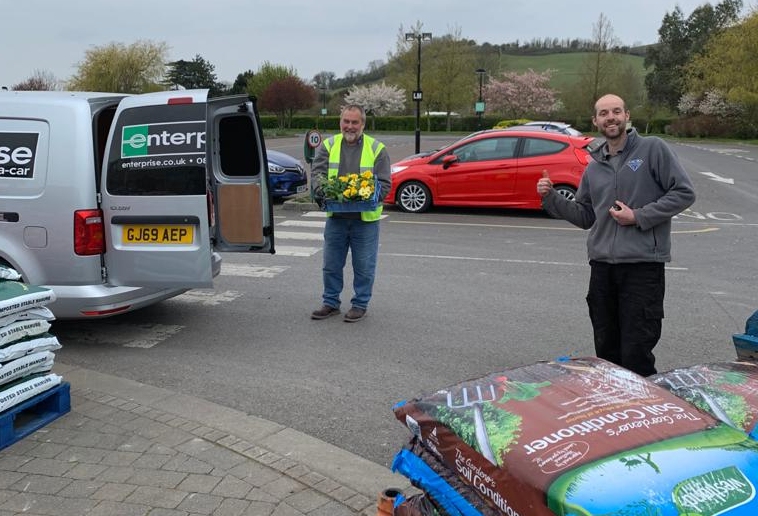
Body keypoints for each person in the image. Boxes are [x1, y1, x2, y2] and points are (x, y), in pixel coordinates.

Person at [537, 94, 695, 376]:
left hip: (641, 265)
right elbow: (586, 216)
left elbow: (684, 193)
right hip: (602, 268)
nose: (611, 117)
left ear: (627, 116)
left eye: (616, 111)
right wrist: (551, 198)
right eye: (604, 113)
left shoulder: (652, 149)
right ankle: (615, 411)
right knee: (606, 350)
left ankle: (645, 411)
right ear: (595, 121)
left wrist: (638, 216)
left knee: (636, 351)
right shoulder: (594, 166)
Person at [310, 104, 391, 322]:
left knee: (364, 266)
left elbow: (384, 183)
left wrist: (369, 197)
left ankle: (360, 304)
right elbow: (317, 174)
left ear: (362, 124)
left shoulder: (377, 148)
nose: (350, 126)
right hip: (336, 217)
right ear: (340, 122)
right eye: (346, 121)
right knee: (331, 264)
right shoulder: (328, 146)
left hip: (365, 220)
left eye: (355, 122)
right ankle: (330, 302)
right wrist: (321, 193)